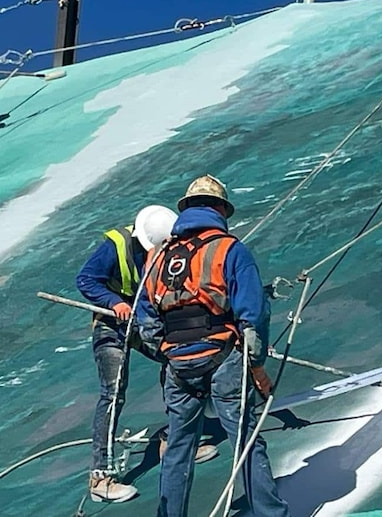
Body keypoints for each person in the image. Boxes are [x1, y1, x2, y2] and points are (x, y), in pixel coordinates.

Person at [140, 175, 289, 517]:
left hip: (177, 365)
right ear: (221, 209)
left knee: (178, 446)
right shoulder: (229, 249)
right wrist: (257, 368)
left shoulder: (157, 258)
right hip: (223, 357)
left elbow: (146, 322)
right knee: (245, 440)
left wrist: (169, 352)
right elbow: (251, 317)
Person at [76, 205, 218, 504]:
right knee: (113, 393)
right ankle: (100, 476)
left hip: (145, 320)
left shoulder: (171, 244)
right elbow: (86, 280)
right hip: (112, 323)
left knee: (178, 362)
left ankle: (174, 440)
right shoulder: (115, 246)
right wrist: (114, 302)